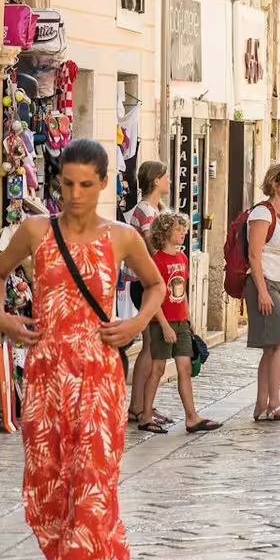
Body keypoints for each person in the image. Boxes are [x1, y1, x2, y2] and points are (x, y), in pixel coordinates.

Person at [0, 140, 160, 560]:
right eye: (67, 185)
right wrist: (3, 317)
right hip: (45, 375)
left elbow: (154, 286)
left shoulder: (124, 238)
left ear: (105, 183)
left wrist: (136, 323)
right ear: (57, 183)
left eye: (87, 185)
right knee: (46, 495)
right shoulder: (36, 232)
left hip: (100, 379)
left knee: (93, 497)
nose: (76, 195)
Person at [136, 214, 222, 434]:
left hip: (181, 322)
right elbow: (152, 297)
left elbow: (182, 291)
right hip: (161, 322)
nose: (183, 233)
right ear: (164, 233)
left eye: (184, 229)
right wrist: (164, 325)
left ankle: (192, 417)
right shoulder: (156, 262)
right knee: (158, 368)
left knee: (185, 367)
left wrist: (189, 317)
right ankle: (145, 415)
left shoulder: (182, 259)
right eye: (178, 230)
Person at [247, 164, 280, 422]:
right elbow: (254, 254)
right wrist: (262, 291)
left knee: (271, 348)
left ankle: (262, 404)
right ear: (274, 185)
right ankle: (275, 402)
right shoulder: (262, 212)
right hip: (266, 282)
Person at [124, 160, 169, 429]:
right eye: (164, 177)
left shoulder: (155, 210)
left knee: (151, 346)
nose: (168, 181)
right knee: (150, 345)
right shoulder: (145, 212)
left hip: (151, 282)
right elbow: (153, 251)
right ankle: (139, 407)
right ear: (155, 180)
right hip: (145, 283)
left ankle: (142, 405)